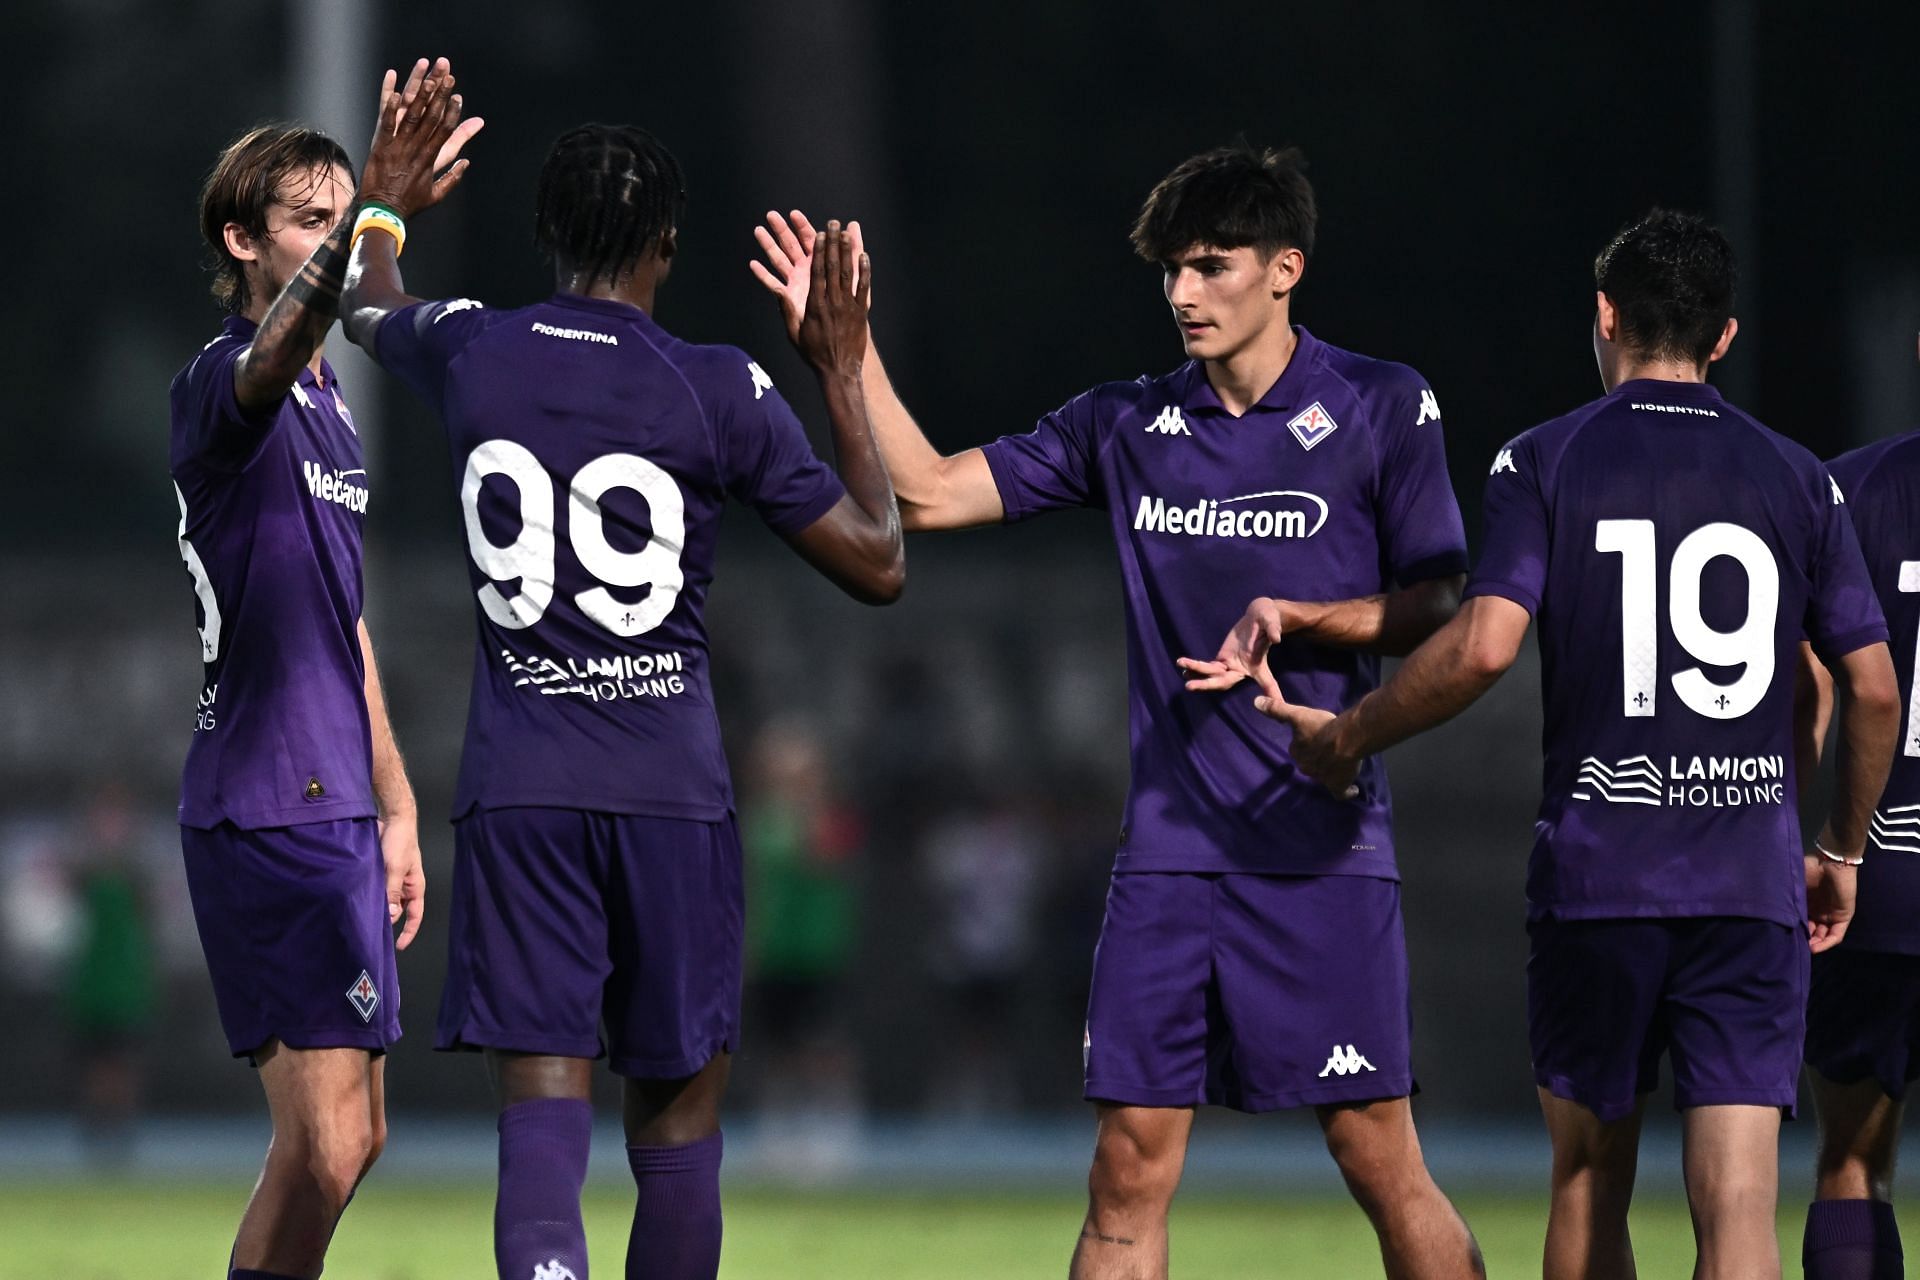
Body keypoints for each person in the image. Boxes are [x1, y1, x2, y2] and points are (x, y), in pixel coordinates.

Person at [752, 143, 1483, 1280]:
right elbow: (932, 490)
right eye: (1171, 271)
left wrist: (1299, 614)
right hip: (1169, 859)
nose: (1183, 294)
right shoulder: (1128, 423)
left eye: (1211, 266)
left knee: (1376, 1154)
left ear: (1285, 269)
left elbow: (1443, 599)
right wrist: (845, 361)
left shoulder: (1381, 404)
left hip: (1321, 846)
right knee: (1128, 1167)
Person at [1264, 209, 1902, 1280]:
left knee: (1587, 1180)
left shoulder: (1544, 459)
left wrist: (1352, 732)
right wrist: (1836, 847)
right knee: (1739, 1200)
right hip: (1748, 881)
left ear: (1604, 315)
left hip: (1601, 875)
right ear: (1725, 336)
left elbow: (1480, 649)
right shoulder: (1800, 477)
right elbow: (1869, 688)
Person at [340, 98, 903, 1278]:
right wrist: (841, 372)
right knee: (678, 1134)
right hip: (671, 795)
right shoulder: (718, 386)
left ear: (549, 235)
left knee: (542, 1119)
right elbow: (878, 559)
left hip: (526, 785)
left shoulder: (474, 347)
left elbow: (362, 299)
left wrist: (385, 197)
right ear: (666, 248)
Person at [168, 56, 474, 1280]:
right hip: (264, 798)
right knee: (329, 1143)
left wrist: (395, 799)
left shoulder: (330, 401)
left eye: (341, 215)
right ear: (243, 239)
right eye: (311, 218)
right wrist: (380, 216)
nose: (334, 239)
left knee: (357, 1139)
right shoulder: (223, 381)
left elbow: (344, 622)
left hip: (335, 801)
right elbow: (280, 345)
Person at [1796, 333, 1920, 1280]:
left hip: (1878, 881)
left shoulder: (1845, 490)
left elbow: (1813, 693)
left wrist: (1827, 842)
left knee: (1850, 1160)